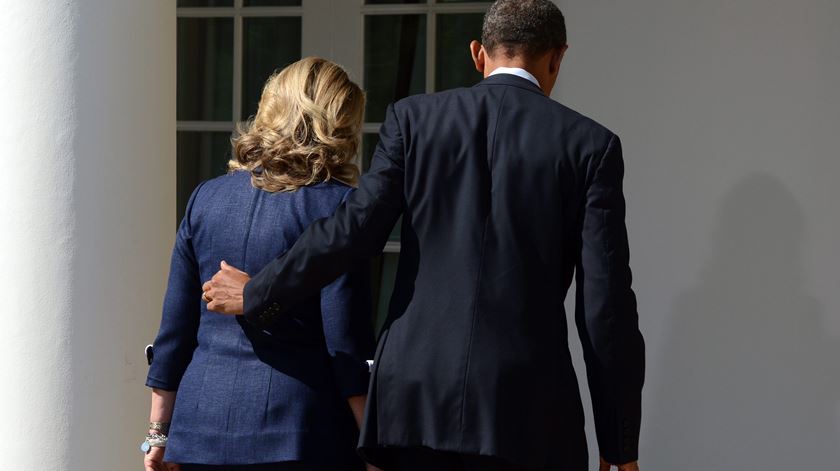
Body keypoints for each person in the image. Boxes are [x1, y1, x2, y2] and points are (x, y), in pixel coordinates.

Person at [202, 1, 645, 470]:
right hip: (528, 409)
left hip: (410, 402)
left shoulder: (413, 120)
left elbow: (353, 231)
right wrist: (620, 447)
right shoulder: (592, 146)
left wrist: (260, 291)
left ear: (478, 54)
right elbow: (606, 310)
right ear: (557, 57)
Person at [143, 57, 376, 471]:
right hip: (298, 430)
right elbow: (344, 339)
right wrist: (372, 446)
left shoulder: (206, 198)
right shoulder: (339, 206)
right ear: (340, 123)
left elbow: (175, 329)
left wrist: (158, 434)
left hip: (199, 430)